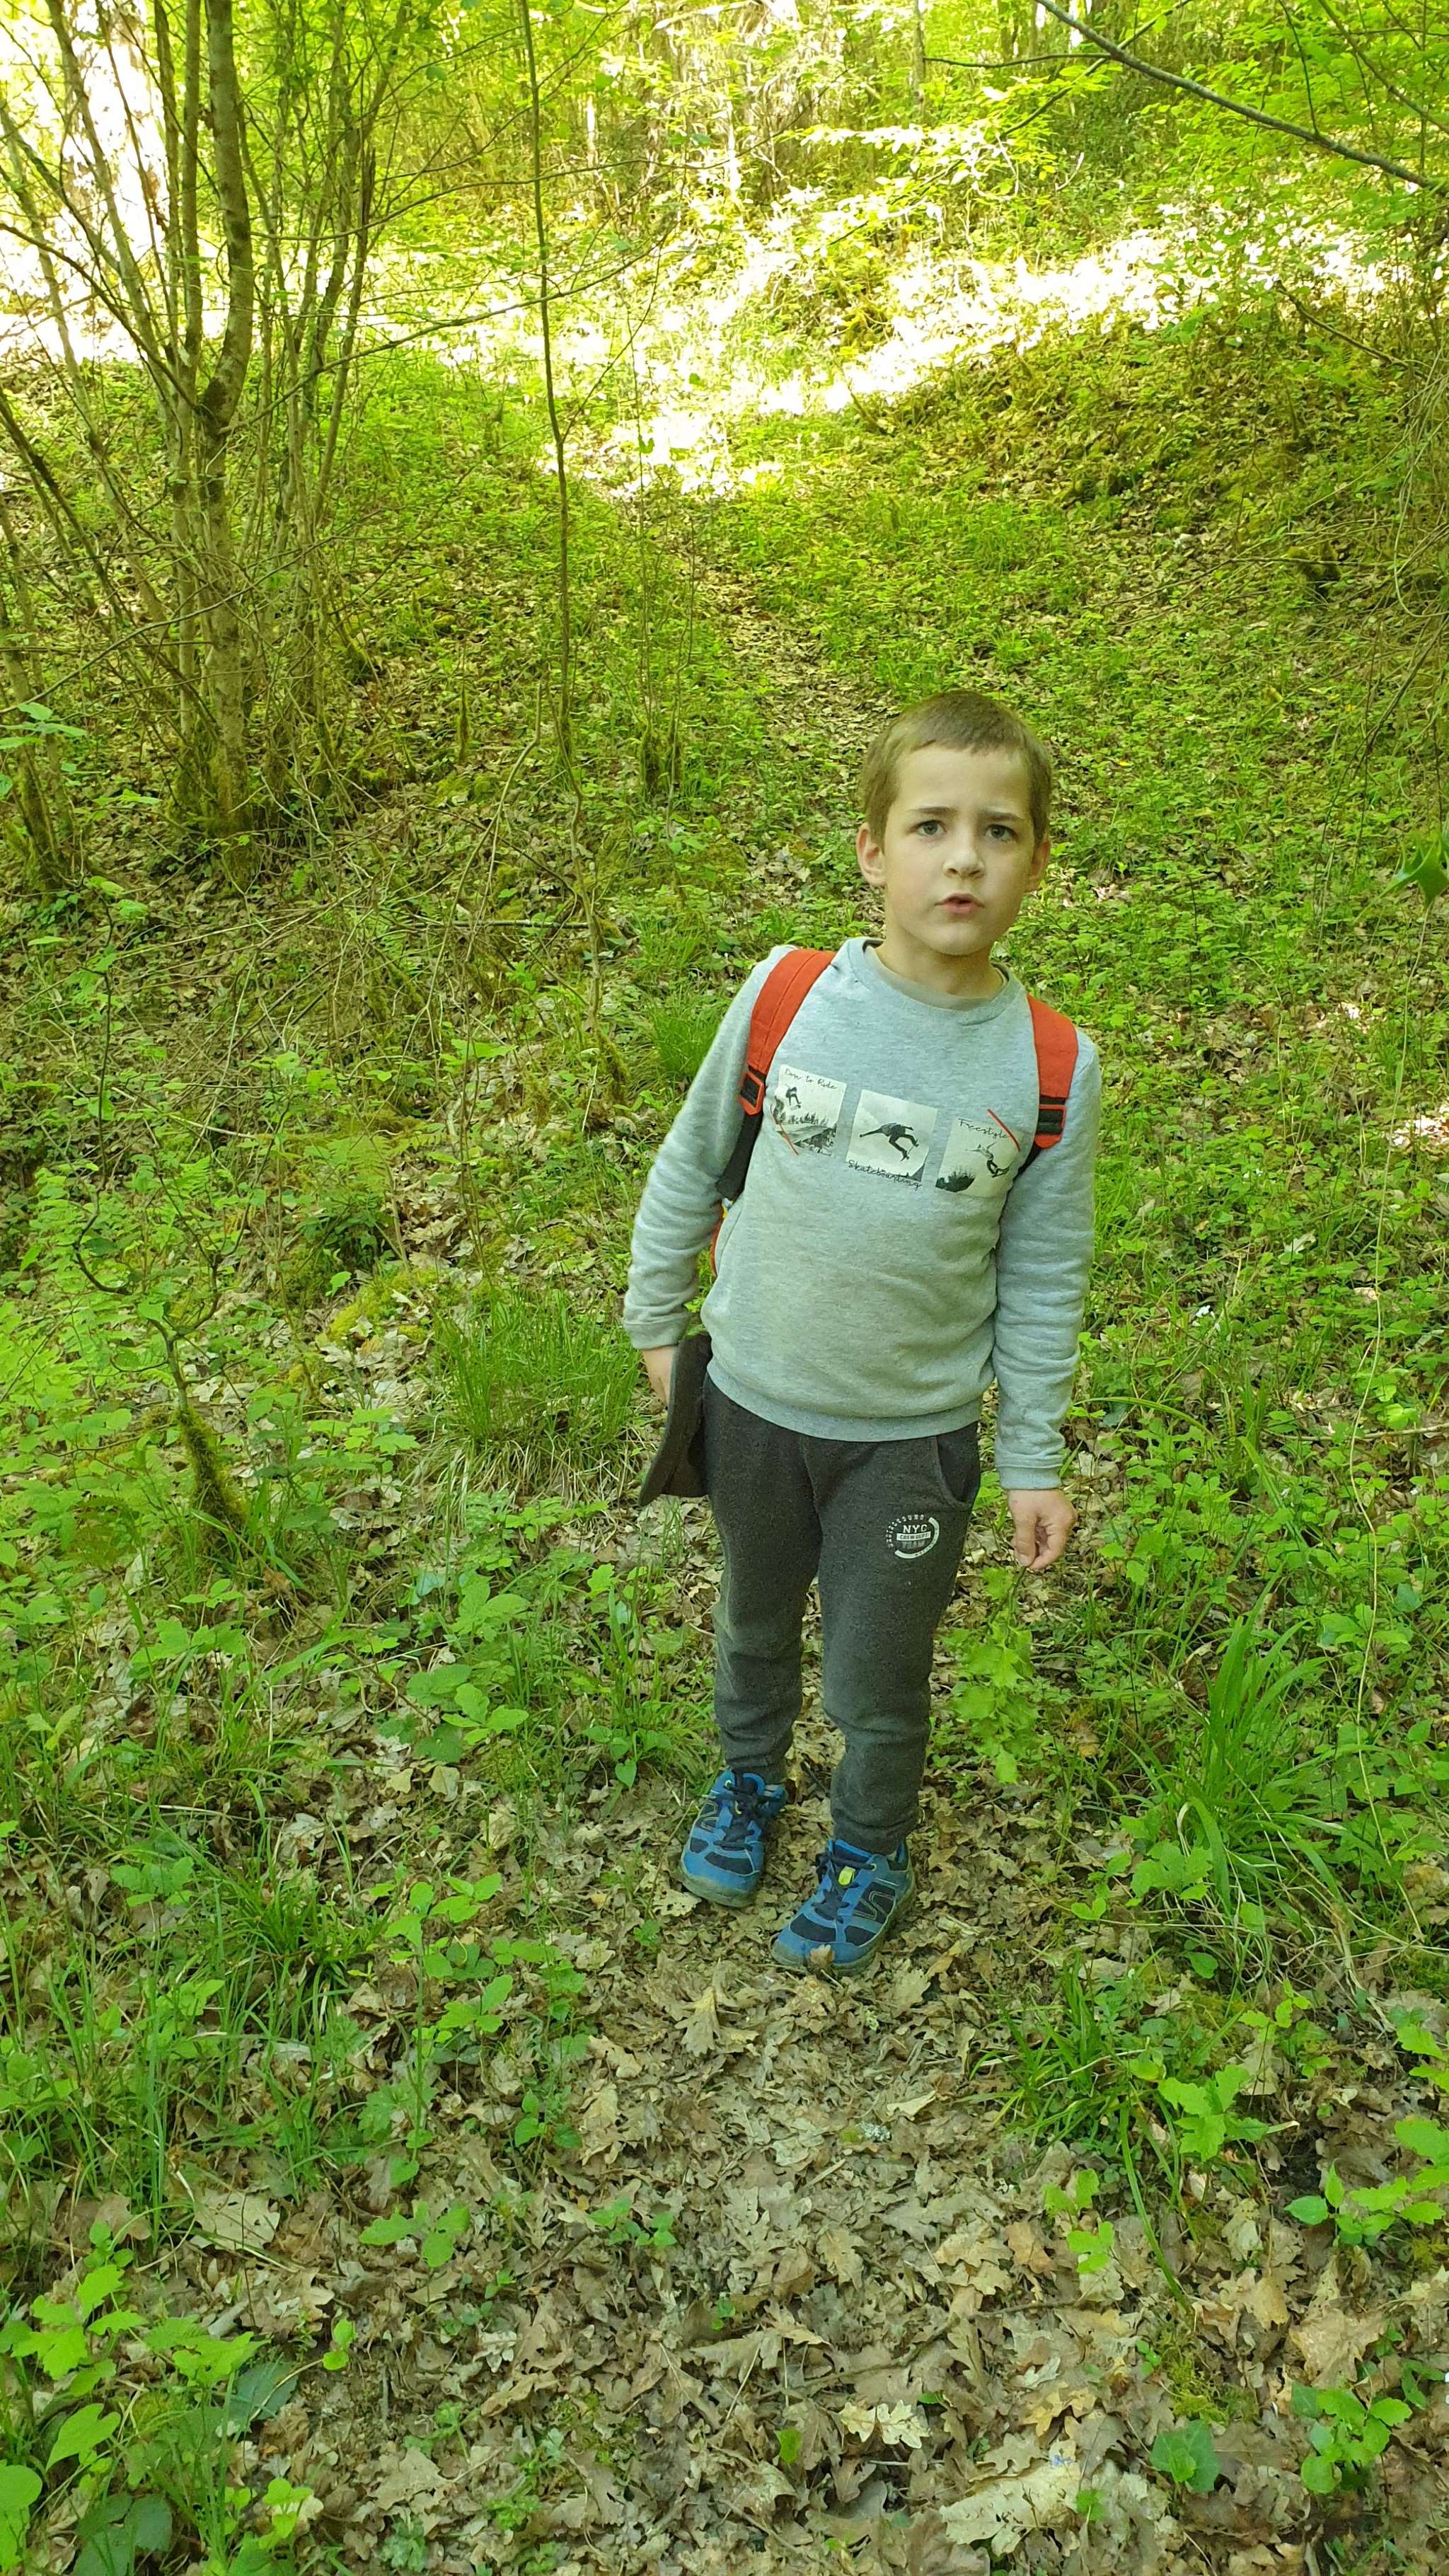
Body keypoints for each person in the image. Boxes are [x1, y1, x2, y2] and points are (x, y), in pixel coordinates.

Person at [621, 687, 1101, 1974]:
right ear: (872, 850)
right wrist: (655, 1318)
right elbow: (692, 1158)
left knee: (878, 1672)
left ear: (1037, 862)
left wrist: (1033, 1455)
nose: (964, 858)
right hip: (754, 1403)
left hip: (910, 1443)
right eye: (931, 825)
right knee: (752, 1618)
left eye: (999, 831)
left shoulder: (1051, 1065)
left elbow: (1043, 1277)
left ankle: (870, 1846)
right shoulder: (789, 994)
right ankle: (747, 1779)